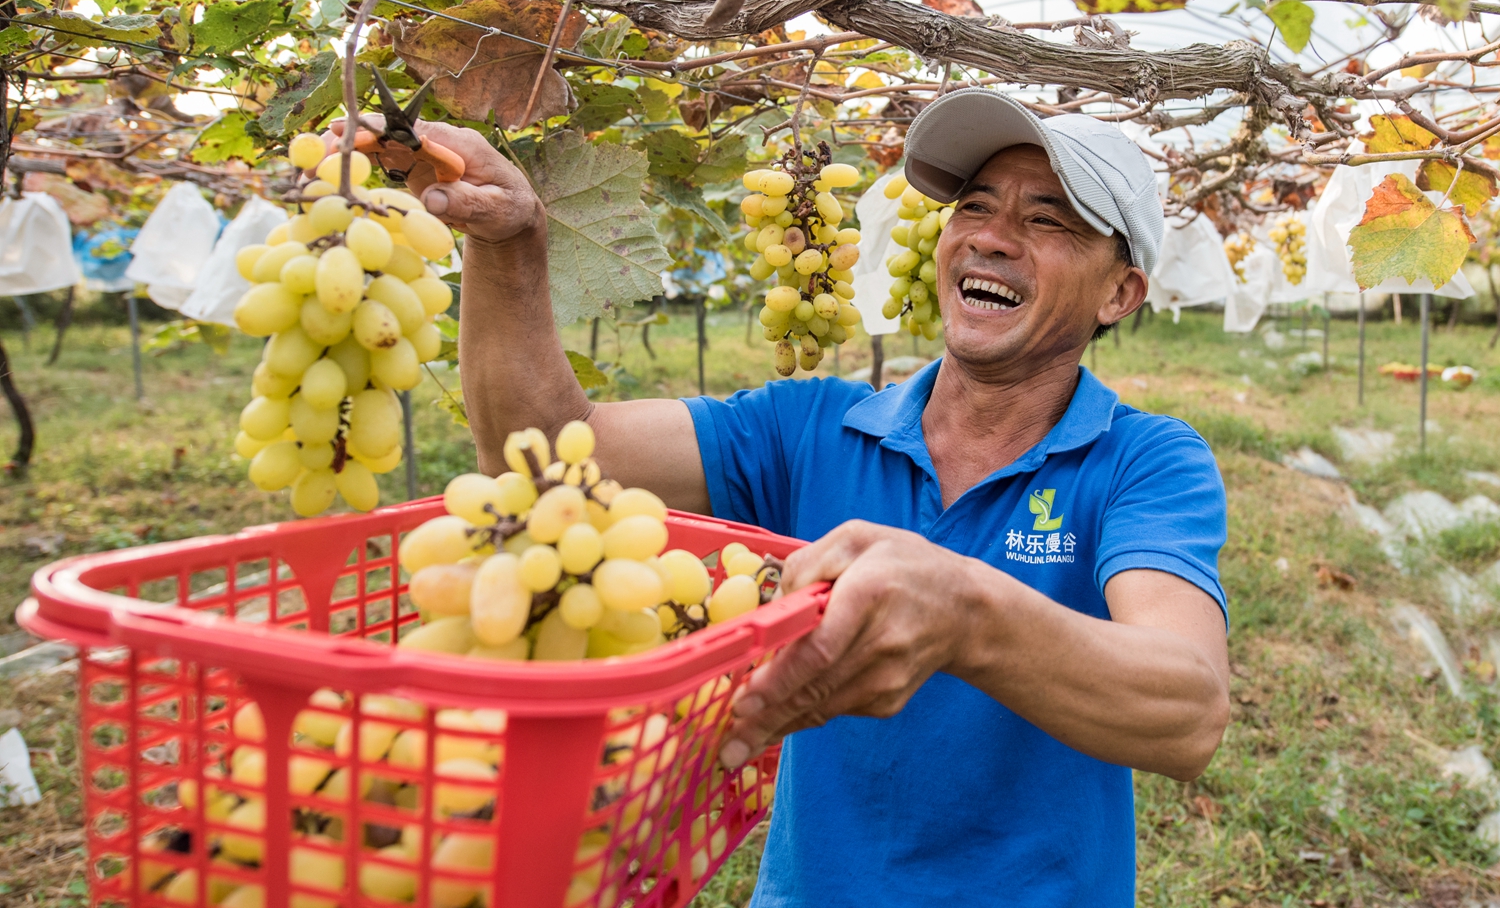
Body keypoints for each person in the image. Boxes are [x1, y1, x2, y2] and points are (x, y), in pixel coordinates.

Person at [344, 88, 1231, 907]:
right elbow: (536, 455)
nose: (993, 237)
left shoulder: (1144, 461)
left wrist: (970, 617)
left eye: (1048, 220)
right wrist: (511, 245)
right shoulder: (812, 425)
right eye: (975, 205)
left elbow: (1187, 711)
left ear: (1121, 291)